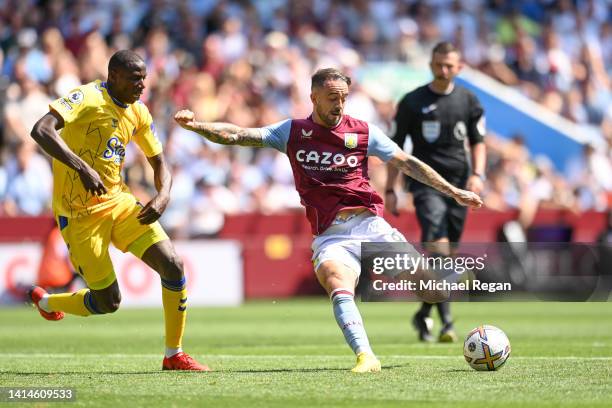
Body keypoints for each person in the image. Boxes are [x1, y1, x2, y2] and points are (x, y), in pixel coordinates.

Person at [174, 67, 482, 373]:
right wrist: (197, 126)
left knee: (434, 292)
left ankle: (448, 278)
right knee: (336, 280)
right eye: (333, 98)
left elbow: (406, 162)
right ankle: (366, 356)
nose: (339, 105)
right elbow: (240, 135)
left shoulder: (363, 131)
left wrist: (453, 190)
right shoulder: (292, 132)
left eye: (344, 98)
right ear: (314, 98)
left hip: (370, 226)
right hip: (331, 235)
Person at [28, 50, 208, 371]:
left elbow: (159, 163)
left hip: (119, 202)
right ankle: (46, 302)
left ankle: (174, 354)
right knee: (107, 302)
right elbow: (41, 130)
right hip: (80, 215)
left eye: (144, 79)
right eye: (134, 78)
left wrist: (163, 194)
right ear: (113, 77)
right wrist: (81, 167)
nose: (141, 85)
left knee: (173, 265)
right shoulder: (87, 97)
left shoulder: (138, 112)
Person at [385, 42, 487, 343]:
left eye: (449, 65)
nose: (443, 70)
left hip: (460, 185)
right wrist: (391, 188)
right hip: (425, 184)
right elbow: (394, 148)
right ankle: (447, 323)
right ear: (430, 64)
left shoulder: (469, 101)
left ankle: (423, 313)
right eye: (438, 64)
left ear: (459, 68)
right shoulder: (412, 102)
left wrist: (478, 175)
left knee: (449, 258)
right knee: (439, 249)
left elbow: (478, 141)